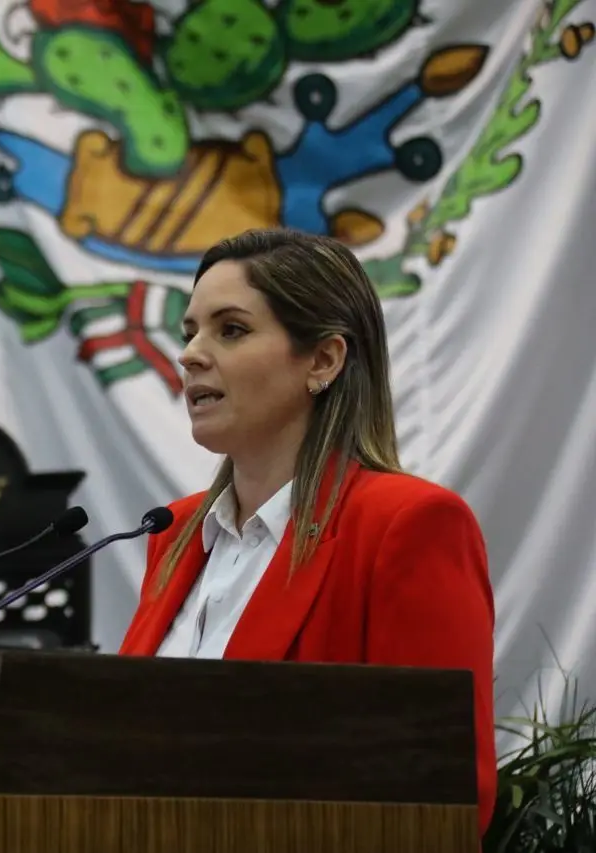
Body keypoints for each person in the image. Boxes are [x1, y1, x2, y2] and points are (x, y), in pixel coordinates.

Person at [118, 228, 496, 837]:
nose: (189, 353)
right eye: (189, 331)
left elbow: (445, 791)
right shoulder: (177, 531)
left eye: (230, 329)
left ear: (323, 360)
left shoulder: (408, 524)